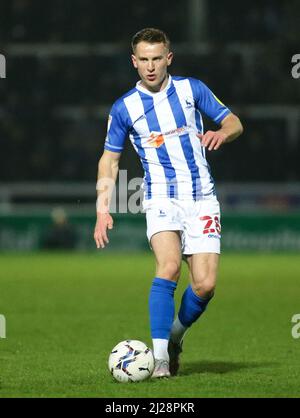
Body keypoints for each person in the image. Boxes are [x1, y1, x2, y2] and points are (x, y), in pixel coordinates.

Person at [94, 28, 243, 378]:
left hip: (202, 197)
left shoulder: (193, 90)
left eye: (156, 58)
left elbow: (234, 122)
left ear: (168, 58)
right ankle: (160, 358)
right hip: (160, 195)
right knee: (170, 265)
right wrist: (103, 207)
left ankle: (175, 336)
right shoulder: (124, 107)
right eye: (143, 60)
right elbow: (109, 160)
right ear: (134, 61)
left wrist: (223, 132)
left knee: (205, 284)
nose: (150, 66)